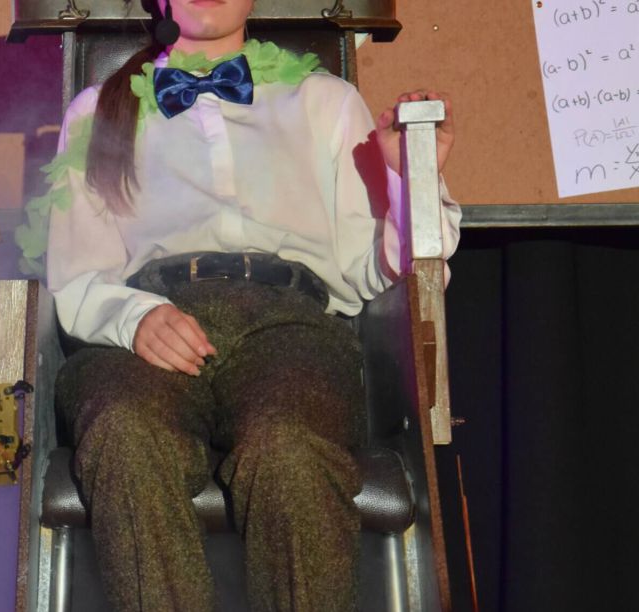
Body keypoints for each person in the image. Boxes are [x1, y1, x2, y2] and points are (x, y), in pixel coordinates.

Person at [37, 1, 462, 610]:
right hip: (151, 324)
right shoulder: (97, 110)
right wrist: (133, 318)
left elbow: (377, 271)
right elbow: (76, 271)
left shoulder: (325, 102)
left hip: (288, 322)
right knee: (124, 431)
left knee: (286, 443)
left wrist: (409, 178)